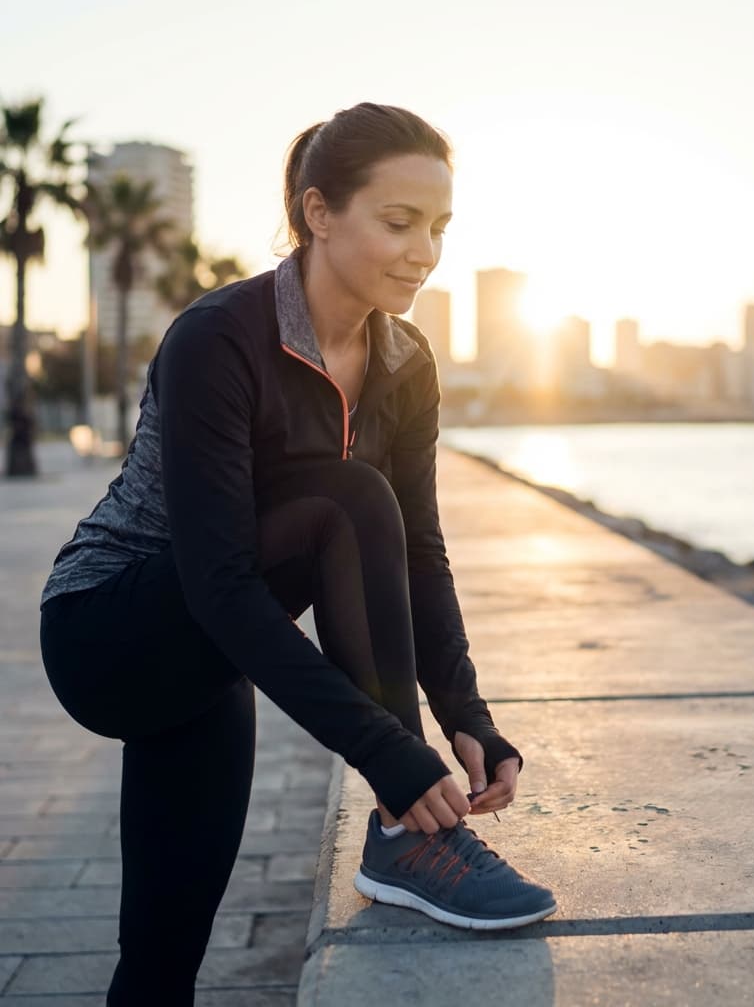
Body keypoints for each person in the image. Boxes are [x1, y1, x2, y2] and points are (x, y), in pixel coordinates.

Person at [38, 102, 555, 1007]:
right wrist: (390, 757)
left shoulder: (406, 362)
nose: (423, 252)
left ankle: (405, 832)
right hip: (110, 628)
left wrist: (466, 714)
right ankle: (406, 839)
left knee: (162, 954)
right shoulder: (220, 338)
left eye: (437, 228)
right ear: (319, 213)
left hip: (213, 653)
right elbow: (220, 577)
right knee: (346, 495)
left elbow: (419, 554)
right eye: (397, 223)